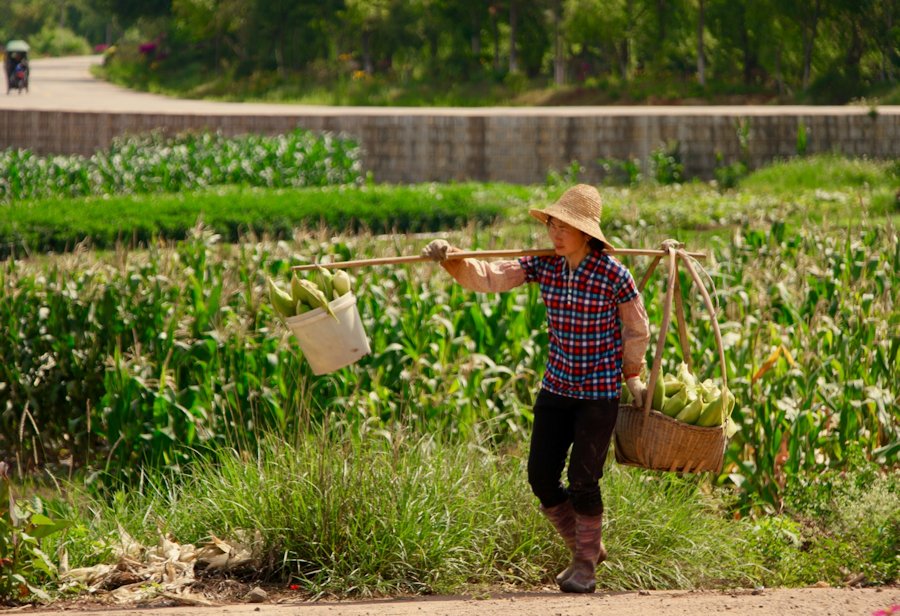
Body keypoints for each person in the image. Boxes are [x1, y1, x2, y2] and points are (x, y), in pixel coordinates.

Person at [422, 184, 650, 593]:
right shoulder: (544, 266)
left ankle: (584, 564)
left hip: (598, 393)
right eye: (552, 225)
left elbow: (637, 328)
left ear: (587, 233)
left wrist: (632, 374)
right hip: (558, 386)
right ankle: (587, 546)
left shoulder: (613, 273)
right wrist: (452, 258)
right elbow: (489, 277)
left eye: (565, 227)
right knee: (541, 477)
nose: (556, 234)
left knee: (583, 479)